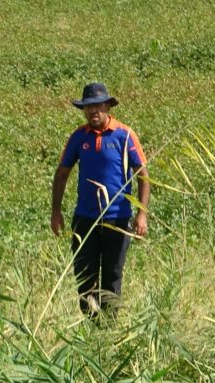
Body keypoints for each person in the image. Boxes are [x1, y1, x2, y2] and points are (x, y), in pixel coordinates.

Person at [50, 82, 151, 317]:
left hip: (118, 219)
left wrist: (141, 214)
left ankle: (109, 327)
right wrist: (56, 212)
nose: (93, 111)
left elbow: (143, 176)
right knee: (85, 276)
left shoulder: (124, 135)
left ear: (107, 106)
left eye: (97, 106)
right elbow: (62, 173)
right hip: (85, 219)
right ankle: (91, 326)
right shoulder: (78, 137)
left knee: (112, 276)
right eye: (88, 107)